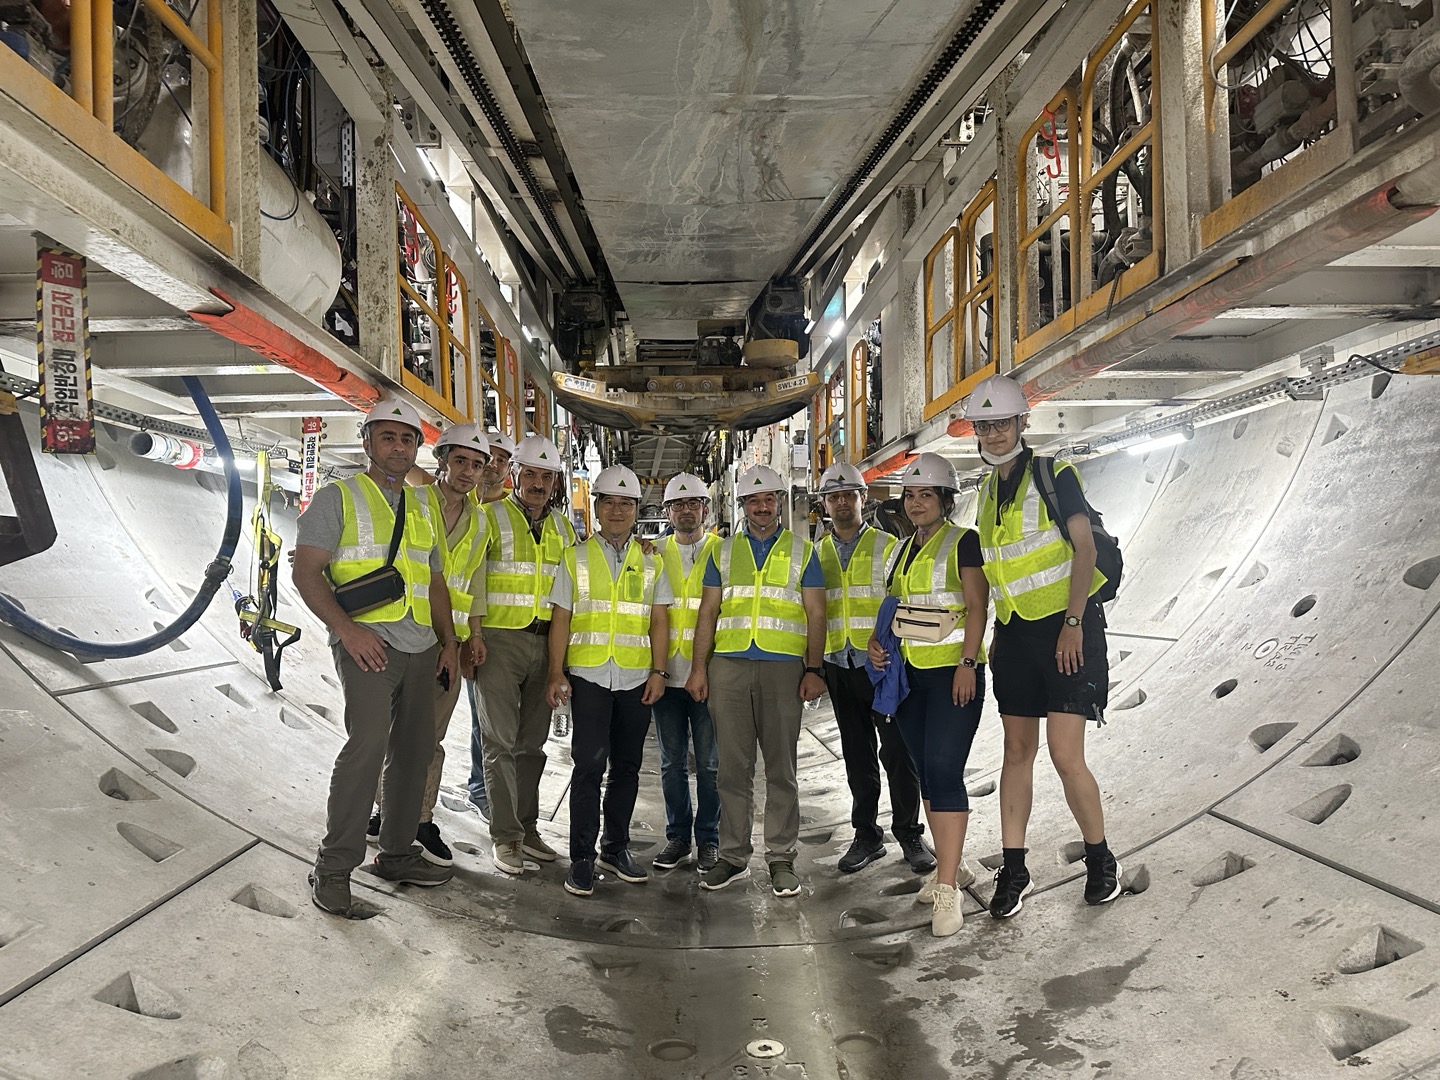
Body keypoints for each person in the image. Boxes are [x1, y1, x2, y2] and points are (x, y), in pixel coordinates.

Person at [293, 394, 460, 916]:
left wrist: (448, 642)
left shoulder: (424, 505)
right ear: (367, 443)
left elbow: (433, 580)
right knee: (367, 746)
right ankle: (334, 866)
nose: (398, 446)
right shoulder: (337, 497)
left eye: (407, 438)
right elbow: (306, 571)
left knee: (414, 753)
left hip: (421, 645)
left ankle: (395, 853)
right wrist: (346, 631)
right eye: (387, 436)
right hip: (368, 644)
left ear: (417, 449)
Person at [965, 374, 1120, 918]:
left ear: (1021, 424)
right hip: (1015, 639)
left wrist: (1074, 621)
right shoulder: (984, 493)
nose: (994, 434)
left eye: (1002, 424)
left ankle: (1101, 859)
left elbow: (1083, 549)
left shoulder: (1055, 473)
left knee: (1065, 755)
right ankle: (1015, 867)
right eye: (984, 426)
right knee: (1016, 753)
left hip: (1068, 630)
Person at [686, 463, 827, 898]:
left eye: (769, 500)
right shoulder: (723, 552)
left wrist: (814, 668)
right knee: (732, 768)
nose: (762, 507)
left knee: (782, 769)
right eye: (754, 500)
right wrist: (698, 667)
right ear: (743, 505)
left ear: (779, 503)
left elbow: (816, 613)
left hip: (784, 667)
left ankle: (781, 858)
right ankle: (732, 856)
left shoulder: (804, 551)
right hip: (728, 667)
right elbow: (707, 612)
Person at [866, 453, 988, 937]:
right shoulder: (901, 549)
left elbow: (977, 607)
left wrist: (968, 663)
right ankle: (949, 870)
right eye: (911, 496)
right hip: (909, 679)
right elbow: (894, 612)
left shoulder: (964, 542)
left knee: (943, 772)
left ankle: (948, 892)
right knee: (925, 775)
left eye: (926, 495)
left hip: (950, 677)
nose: (916, 503)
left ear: (946, 501)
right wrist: (878, 648)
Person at [364, 422, 490, 865]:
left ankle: (417, 817)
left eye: (477, 465)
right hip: (397, 631)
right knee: (384, 732)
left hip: (445, 645)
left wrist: (469, 637)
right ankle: (383, 811)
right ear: (441, 461)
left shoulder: (481, 521)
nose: (468, 472)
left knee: (428, 737)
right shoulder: (411, 501)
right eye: (460, 461)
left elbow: (474, 583)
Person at [544, 465, 670, 896]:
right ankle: (581, 857)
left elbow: (658, 619)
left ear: (637, 510)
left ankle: (614, 849)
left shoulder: (651, 560)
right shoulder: (574, 557)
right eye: (610, 502)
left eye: (626, 504)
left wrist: (658, 670)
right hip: (590, 676)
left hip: (636, 678)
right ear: (597, 508)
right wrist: (555, 671)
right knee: (589, 766)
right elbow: (561, 618)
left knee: (628, 768)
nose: (617, 511)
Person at [815, 463, 934, 877]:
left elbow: (906, 604)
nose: (842, 503)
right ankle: (867, 836)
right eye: (834, 497)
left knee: (899, 754)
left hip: (884, 669)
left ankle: (909, 833)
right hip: (839, 664)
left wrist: (895, 652)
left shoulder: (890, 547)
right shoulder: (816, 555)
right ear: (825, 505)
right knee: (857, 756)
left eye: (850, 495)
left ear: (864, 500)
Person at [471, 433, 577, 874]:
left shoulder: (565, 529)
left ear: (555, 482)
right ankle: (506, 836)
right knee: (498, 742)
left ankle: (528, 828)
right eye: (530, 473)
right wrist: (472, 633)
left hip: (547, 643)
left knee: (532, 744)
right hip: (498, 641)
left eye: (545, 476)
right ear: (514, 474)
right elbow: (474, 578)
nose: (537, 483)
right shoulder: (489, 518)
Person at [650, 472, 722, 873]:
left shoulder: (723, 551)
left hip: (707, 674)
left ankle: (708, 839)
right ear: (667, 512)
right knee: (671, 761)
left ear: (705, 509)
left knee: (711, 763)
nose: (685, 511)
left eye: (693, 503)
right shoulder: (652, 552)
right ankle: (678, 836)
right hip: (664, 675)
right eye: (678, 505)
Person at [465, 429, 518, 823]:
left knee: (483, 719)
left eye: (501, 459)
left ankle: (481, 788)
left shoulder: (505, 514)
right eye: (489, 457)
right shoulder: (453, 503)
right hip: (441, 627)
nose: (493, 464)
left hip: (489, 633)